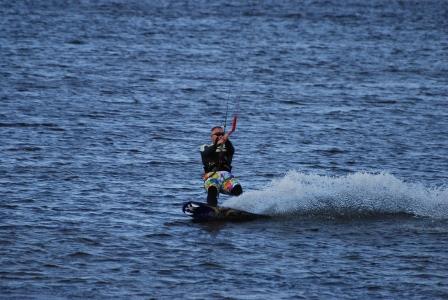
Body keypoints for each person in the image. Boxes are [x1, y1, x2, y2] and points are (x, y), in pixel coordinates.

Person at [200, 126, 243, 206]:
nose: (220, 136)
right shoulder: (205, 147)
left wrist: (226, 140)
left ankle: (241, 207)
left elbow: (231, 149)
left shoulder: (228, 148)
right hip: (211, 177)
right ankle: (212, 208)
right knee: (212, 189)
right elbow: (206, 153)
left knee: (238, 188)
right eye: (217, 134)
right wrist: (218, 143)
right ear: (211, 136)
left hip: (226, 178)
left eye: (222, 134)